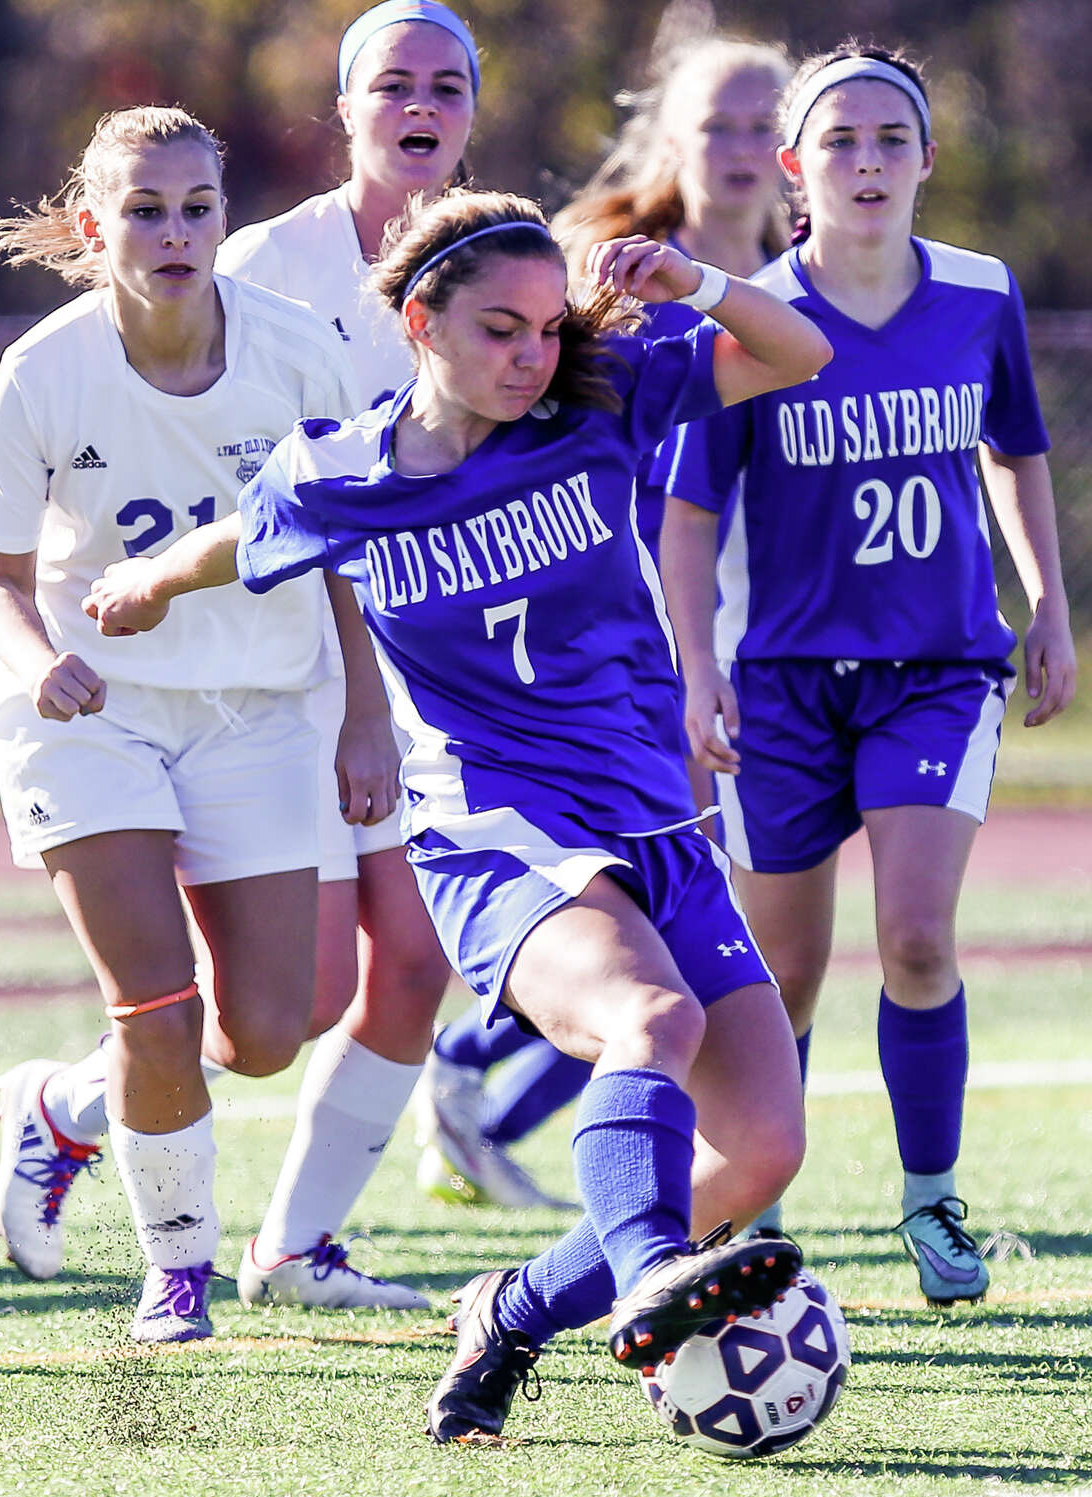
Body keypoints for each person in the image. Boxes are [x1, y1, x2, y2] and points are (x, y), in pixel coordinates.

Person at [82, 187, 832, 1441]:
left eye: (546, 328)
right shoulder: (342, 473)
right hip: (496, 825)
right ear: (421, 321)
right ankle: (651, 1273)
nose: (531, 354)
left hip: (652, 814)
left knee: (758, 1152)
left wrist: (693, 284)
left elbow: (798, 351)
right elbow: (237, 537)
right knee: (649, 1018)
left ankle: (514, 1315)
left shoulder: (599, 402)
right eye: (500, 329)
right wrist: (147, 579)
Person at [0, 0, 484, 1312]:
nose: (419, 103)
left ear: (474, 111)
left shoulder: (504, 257)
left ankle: (293, 1246)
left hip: (426, 653)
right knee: (296, 998)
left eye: (447, 81)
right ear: (345, 109)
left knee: (423, 959)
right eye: (393, 82)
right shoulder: (261, 262)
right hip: (291, 657)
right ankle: (89, 1100)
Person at [0, 105, 397, 1342]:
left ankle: (63, 1109)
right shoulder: (45, 366)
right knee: (155, 1003)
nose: (176, 230)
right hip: (92, 717)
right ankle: (177, 1277)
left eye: (198, 207)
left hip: (256, 708)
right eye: (145, 210)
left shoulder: (298, 351)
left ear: (223, 217)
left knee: (267, 1030)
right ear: (97, 228)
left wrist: (366, 711)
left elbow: (347, 539)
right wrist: (43, 663)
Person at [657, 44, 1077, 1305]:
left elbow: (1016, 447)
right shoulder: (753, 314)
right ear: (794, 167)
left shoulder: (980, 294)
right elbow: (687, 512)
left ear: (929, 160)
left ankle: (932, 1201)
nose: (869, 161)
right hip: (784, 682)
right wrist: (696, 669)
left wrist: (1047, 595)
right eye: (840, 140)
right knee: (778, 977)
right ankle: (758, 1214)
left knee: (916, 939)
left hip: (938, 671)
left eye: (893, 139)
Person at [414, 32, 792, 1210]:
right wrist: (695, 661)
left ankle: (675, 1210)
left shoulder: (788, 266)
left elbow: (799, 376)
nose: (739, 151)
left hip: (758, 622)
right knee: (635, 951)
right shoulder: (603, 277)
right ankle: (482, 1087)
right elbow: (668, 504)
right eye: (715, 125)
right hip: (632, 651)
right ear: (668, 136)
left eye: (757, 125)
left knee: (703, 949)